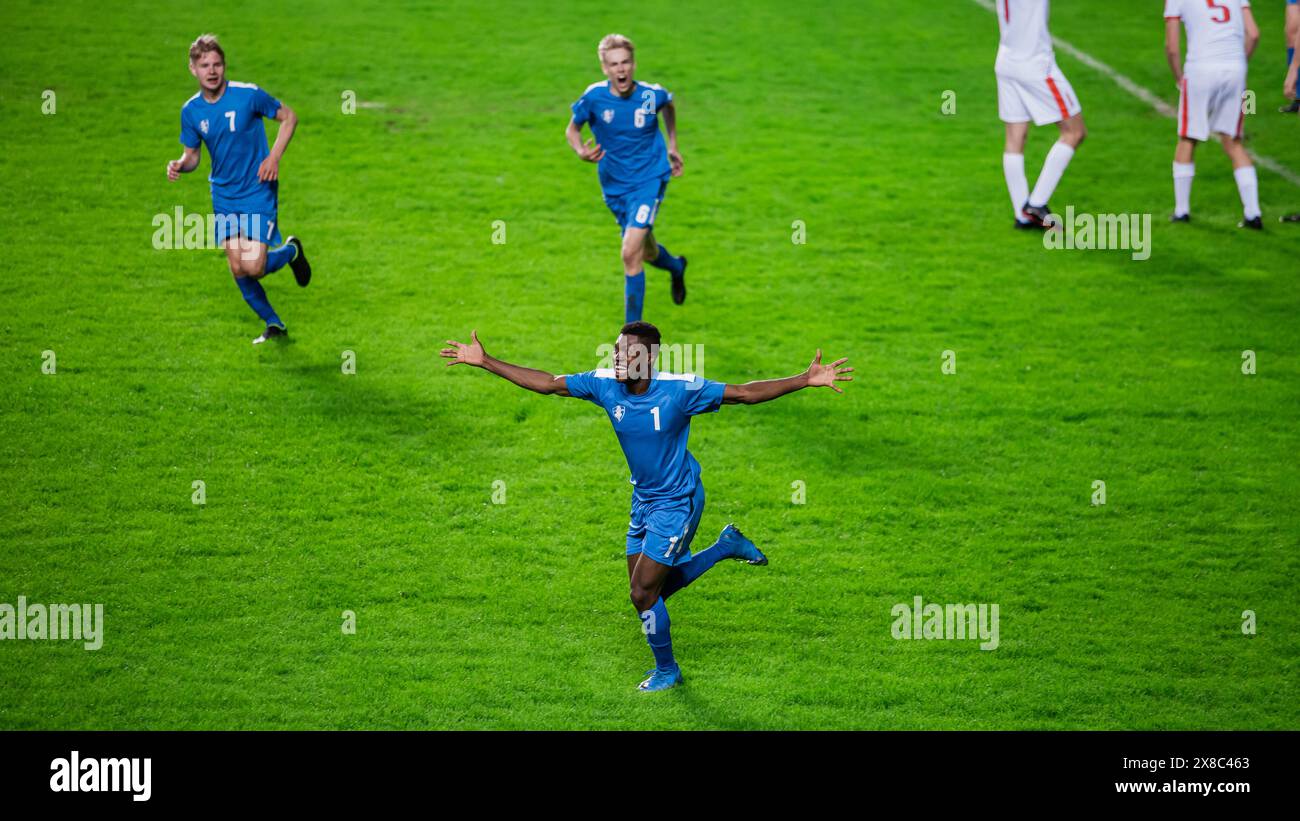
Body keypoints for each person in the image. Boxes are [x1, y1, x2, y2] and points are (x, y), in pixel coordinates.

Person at [440, 321, 853, 691]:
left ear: (650, 359)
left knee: (642, 592)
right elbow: (548, 382)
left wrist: (804, 379)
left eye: (627, 352)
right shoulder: (604, 385)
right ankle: (724, 547)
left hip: (678, 501)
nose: (618, 357)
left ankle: (668, 671)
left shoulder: (679, 390)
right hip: (643, 500)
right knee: (646, 591)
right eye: (616, 349)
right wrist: (485, 360)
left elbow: (743, 394)